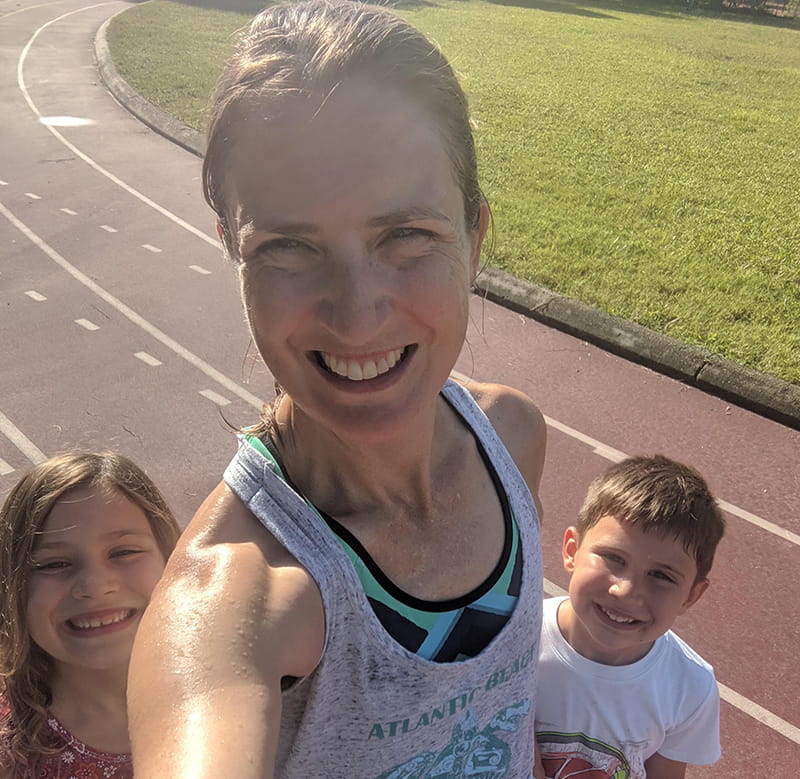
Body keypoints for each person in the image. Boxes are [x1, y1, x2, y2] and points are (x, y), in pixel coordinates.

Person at [127, 2, 547, 776]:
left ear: (475, 238)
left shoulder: (514, 438)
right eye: (288, 247)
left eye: (406, 235)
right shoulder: (237, 601)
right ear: (233, 251)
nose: (357, 315)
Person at [534, 455, 725, 779]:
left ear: (691, 595)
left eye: (661, 576)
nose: (626, 590)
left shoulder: (690, 686)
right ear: (571, 550)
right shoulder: (517, 639)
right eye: (613, 558)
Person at [0, 451, 180, 779]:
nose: (95, 586)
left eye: (123, 552)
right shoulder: (10, 751)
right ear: (12, 587)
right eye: (54, 564)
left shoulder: (237, 691)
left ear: (172, 557)